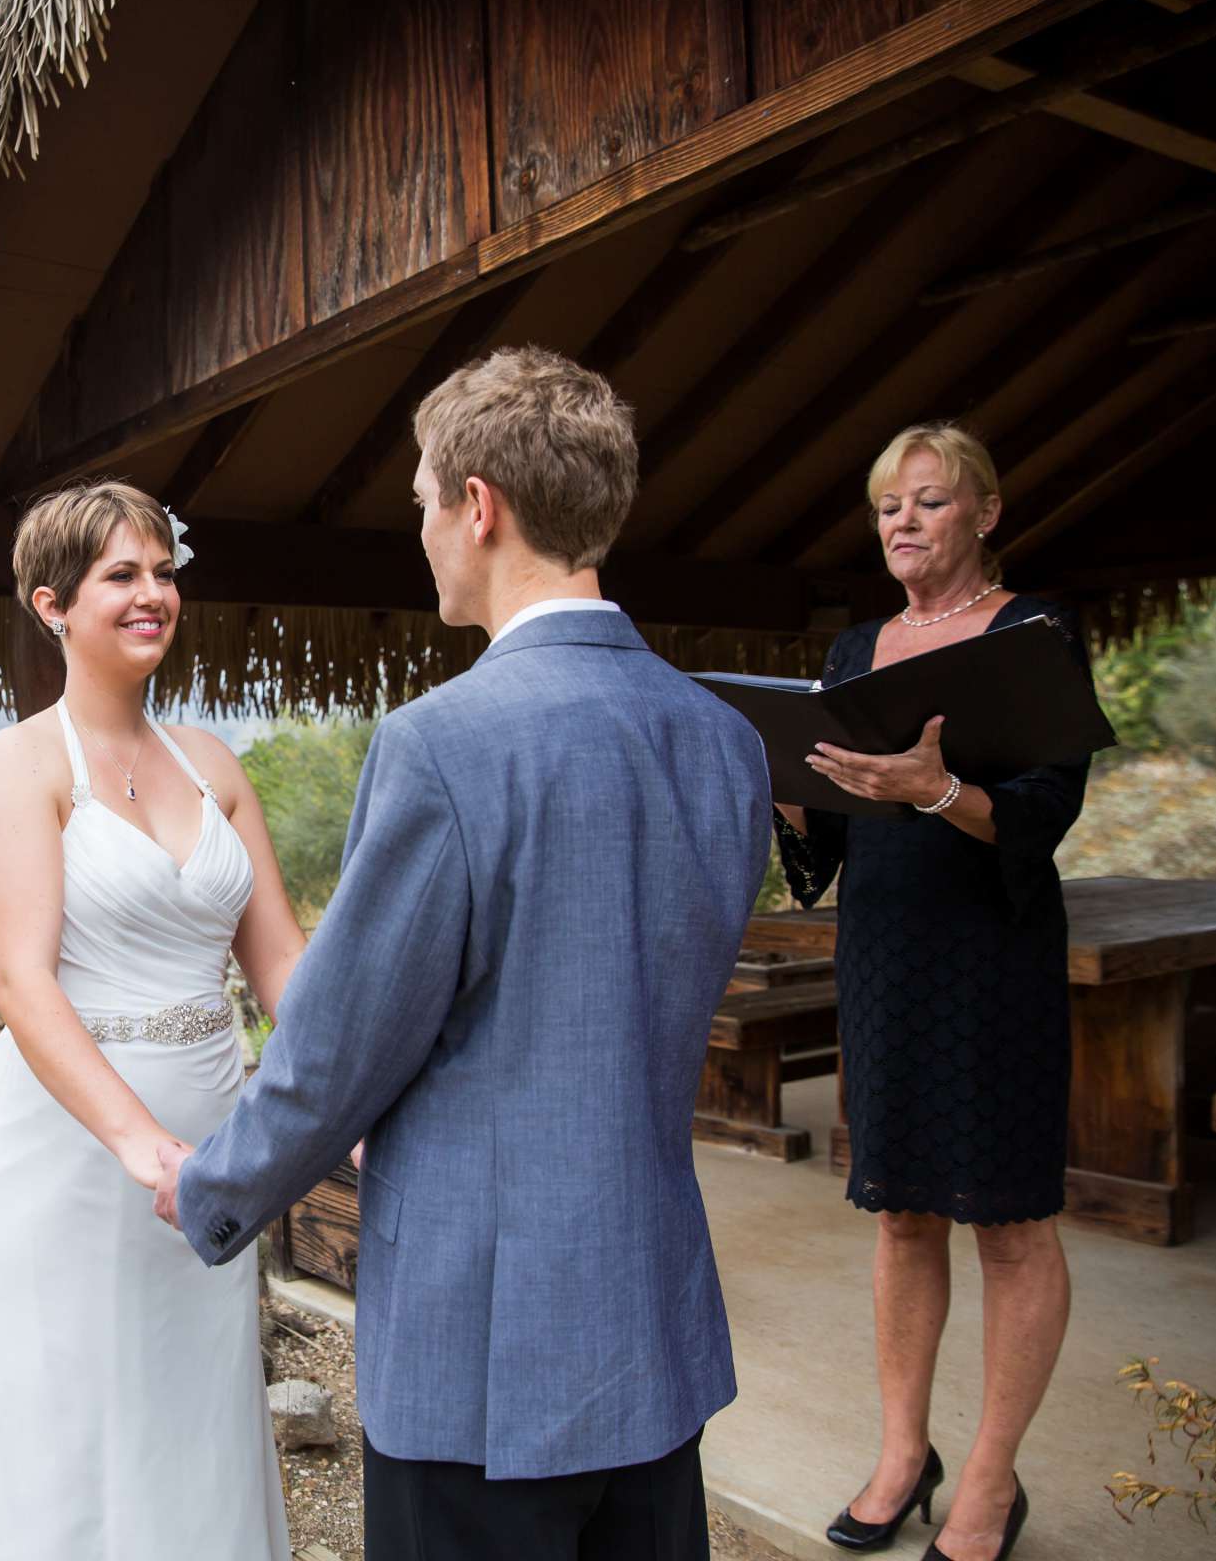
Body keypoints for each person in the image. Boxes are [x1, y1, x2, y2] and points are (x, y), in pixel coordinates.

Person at [155, 345, 770, 1561]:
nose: (424, 534)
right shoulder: (726, 741)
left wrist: (215, 1187)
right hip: (653, 1329)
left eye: (424, 503)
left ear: (477, 505)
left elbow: (338, 1045)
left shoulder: (446, 743)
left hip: (485, 1359)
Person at [0, 481, 303, 1558]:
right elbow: (23, 984)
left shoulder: (216, 764)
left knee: (187, 1413)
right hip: (76, 1146)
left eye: (164, 572)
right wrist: (146, 1150)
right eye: (121, 576)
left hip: (217, 1143)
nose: (153, 595)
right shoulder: (24, 761)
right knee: (69, 1418)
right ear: (53, 606)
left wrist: (345, 1095)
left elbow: (281, 963)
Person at [772, 423, 1089, 1561]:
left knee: (1009, 1222)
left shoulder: (1035, 633)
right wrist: (794, 790)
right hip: (886, 954)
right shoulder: (857, 651)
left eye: (928, 502)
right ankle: (906, 1453)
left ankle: (992, 1483)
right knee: (902, 1211)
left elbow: (1045, 816)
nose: (902, 523)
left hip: (992, 956)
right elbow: (829, 853)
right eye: (886, 508)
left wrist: (939, 785)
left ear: (986, 514)